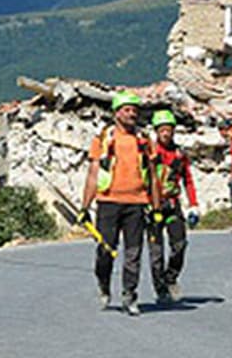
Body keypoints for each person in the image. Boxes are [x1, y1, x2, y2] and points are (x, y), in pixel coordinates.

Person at [82, 91, 159, 317]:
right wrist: (84, 207)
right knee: (106, 251)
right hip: (108, 202)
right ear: (116, 113)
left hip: (137, 203)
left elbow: (153, 176)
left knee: (133, 253)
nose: (132, 113)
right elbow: (92, 175)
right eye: (127, 109)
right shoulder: (104, 139)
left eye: (134, 110)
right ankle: (104, 284)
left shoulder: (144, 141)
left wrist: (156, 208)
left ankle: (129, 295)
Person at [148, 109, 198, 304]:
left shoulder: (180, 154)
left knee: (179, 244)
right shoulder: (149, 152)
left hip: (172, 204)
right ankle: (160, 289)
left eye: (169, 130)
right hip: (152, 207)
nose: (166, 134)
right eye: (162, 130)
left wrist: (193, 204)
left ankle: (171, 278)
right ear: (156, 131)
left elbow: (188, 180)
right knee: (156, 252)